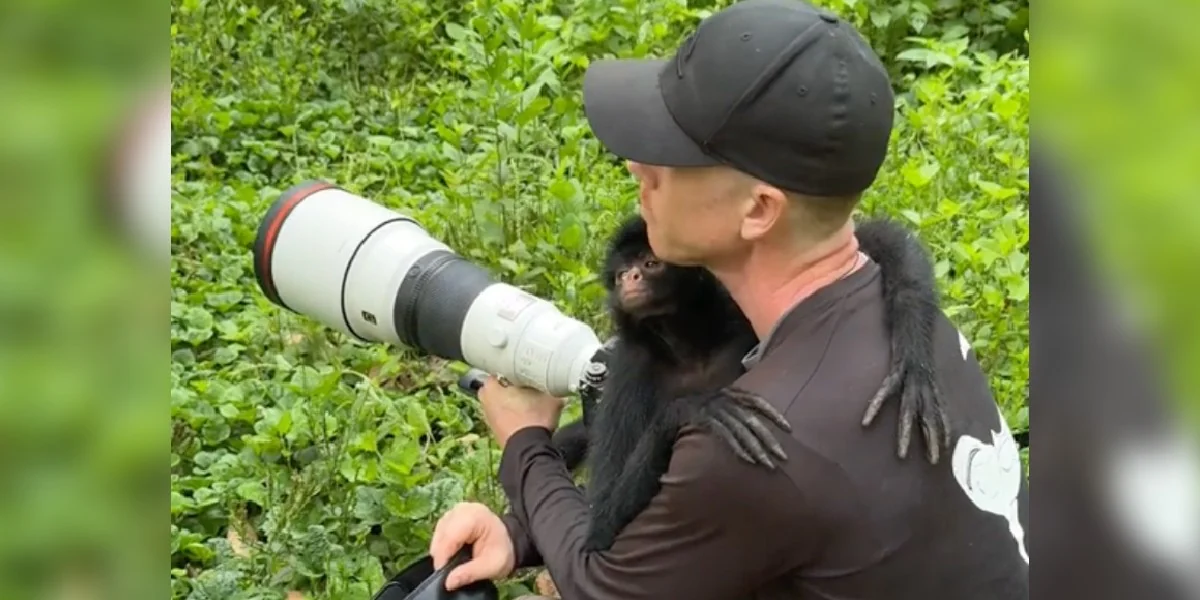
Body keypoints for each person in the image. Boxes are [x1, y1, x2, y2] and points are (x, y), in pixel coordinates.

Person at [429, 0, 1030, 597]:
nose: (639, 166)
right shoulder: (897, 311)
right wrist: (519, 531)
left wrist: (527, 443)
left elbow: (599, 586)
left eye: (673, 154)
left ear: (759, 209)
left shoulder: (762, 439)